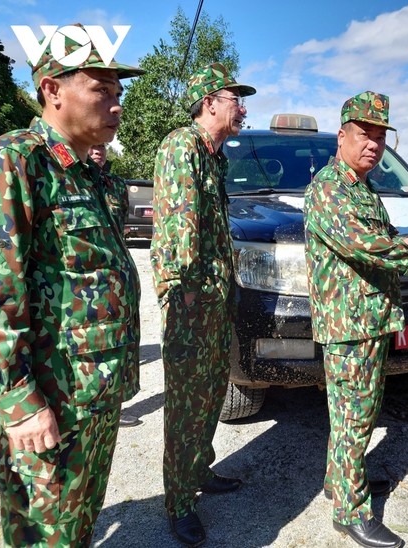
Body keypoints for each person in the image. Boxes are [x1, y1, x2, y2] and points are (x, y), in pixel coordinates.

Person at [0, 26, 142, 546]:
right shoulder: (15, 159)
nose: (116, 105)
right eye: (102, 91)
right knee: (43, 535)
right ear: (53, 90)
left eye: (119, 93)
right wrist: (17, 399)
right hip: (49, 403)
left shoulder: (89, 175)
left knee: (78, 524)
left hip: (93, 397)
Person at [304, 91, 408, 548]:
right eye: (365, 134)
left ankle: (341, 481)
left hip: (367, 319)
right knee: (353, 416)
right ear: (342, 134)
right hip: (349, 324)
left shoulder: (359, 186)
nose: (374, 144)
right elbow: (361, 244)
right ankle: (351, 511)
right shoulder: (330, 186)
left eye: (381, 136)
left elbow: (377, 233)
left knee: (357, 414)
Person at [151, 62, 255, 546]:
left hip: (215, 299)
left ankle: (199, 471)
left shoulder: (215, 155)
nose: (243, 108)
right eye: (236, 99)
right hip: (192, 302)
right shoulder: (181, 146)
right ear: (210, 102)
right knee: (186, 404)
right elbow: (176, 225)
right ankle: (178, 502)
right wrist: (182, 290)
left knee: (212, 391)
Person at [88, 143, 143, 428]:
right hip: (89, 284)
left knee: (120, 342)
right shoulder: (73, 180)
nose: (98, 151)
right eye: (93, 147)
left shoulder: (116, 185)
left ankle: (114, 406)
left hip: (118, 278)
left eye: (102, 148)